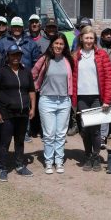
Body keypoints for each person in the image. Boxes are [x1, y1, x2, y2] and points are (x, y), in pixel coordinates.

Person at [32, 34, 77, 174]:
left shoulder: (68, 60)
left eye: (61, 44)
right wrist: (36, 88)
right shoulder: (45, 59)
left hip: (64, 101)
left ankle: (59, 161)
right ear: (52, 44)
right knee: (49, 133)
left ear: (65, 46)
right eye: (56, 43)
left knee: (61, 133)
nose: (58, 46)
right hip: (47, 100)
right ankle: (48, 161)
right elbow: (33, 74)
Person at [0, 44, 37, 179]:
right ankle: (3, 168)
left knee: (20, 140)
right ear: (8, 56)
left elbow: (31, 90)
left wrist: (33, 108)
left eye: (18, 54)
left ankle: (19, 165)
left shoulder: (26, 71)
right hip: (7, 112)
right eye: (13, 55)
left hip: (22, 112)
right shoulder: (1, 72)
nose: (16, 57)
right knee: (4, 141)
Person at [74, 27, 111, 171]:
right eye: (87, 38)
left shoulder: (101, 55)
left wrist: (107, 100)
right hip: (82, 98)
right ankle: (88, 155)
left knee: (96, 130)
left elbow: (109, 78)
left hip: (97, 97)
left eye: (92, 38)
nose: (89, 41)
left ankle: (96, 156)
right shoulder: (75, 56)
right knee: (85, 129)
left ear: (94, 39)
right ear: (81, 38)